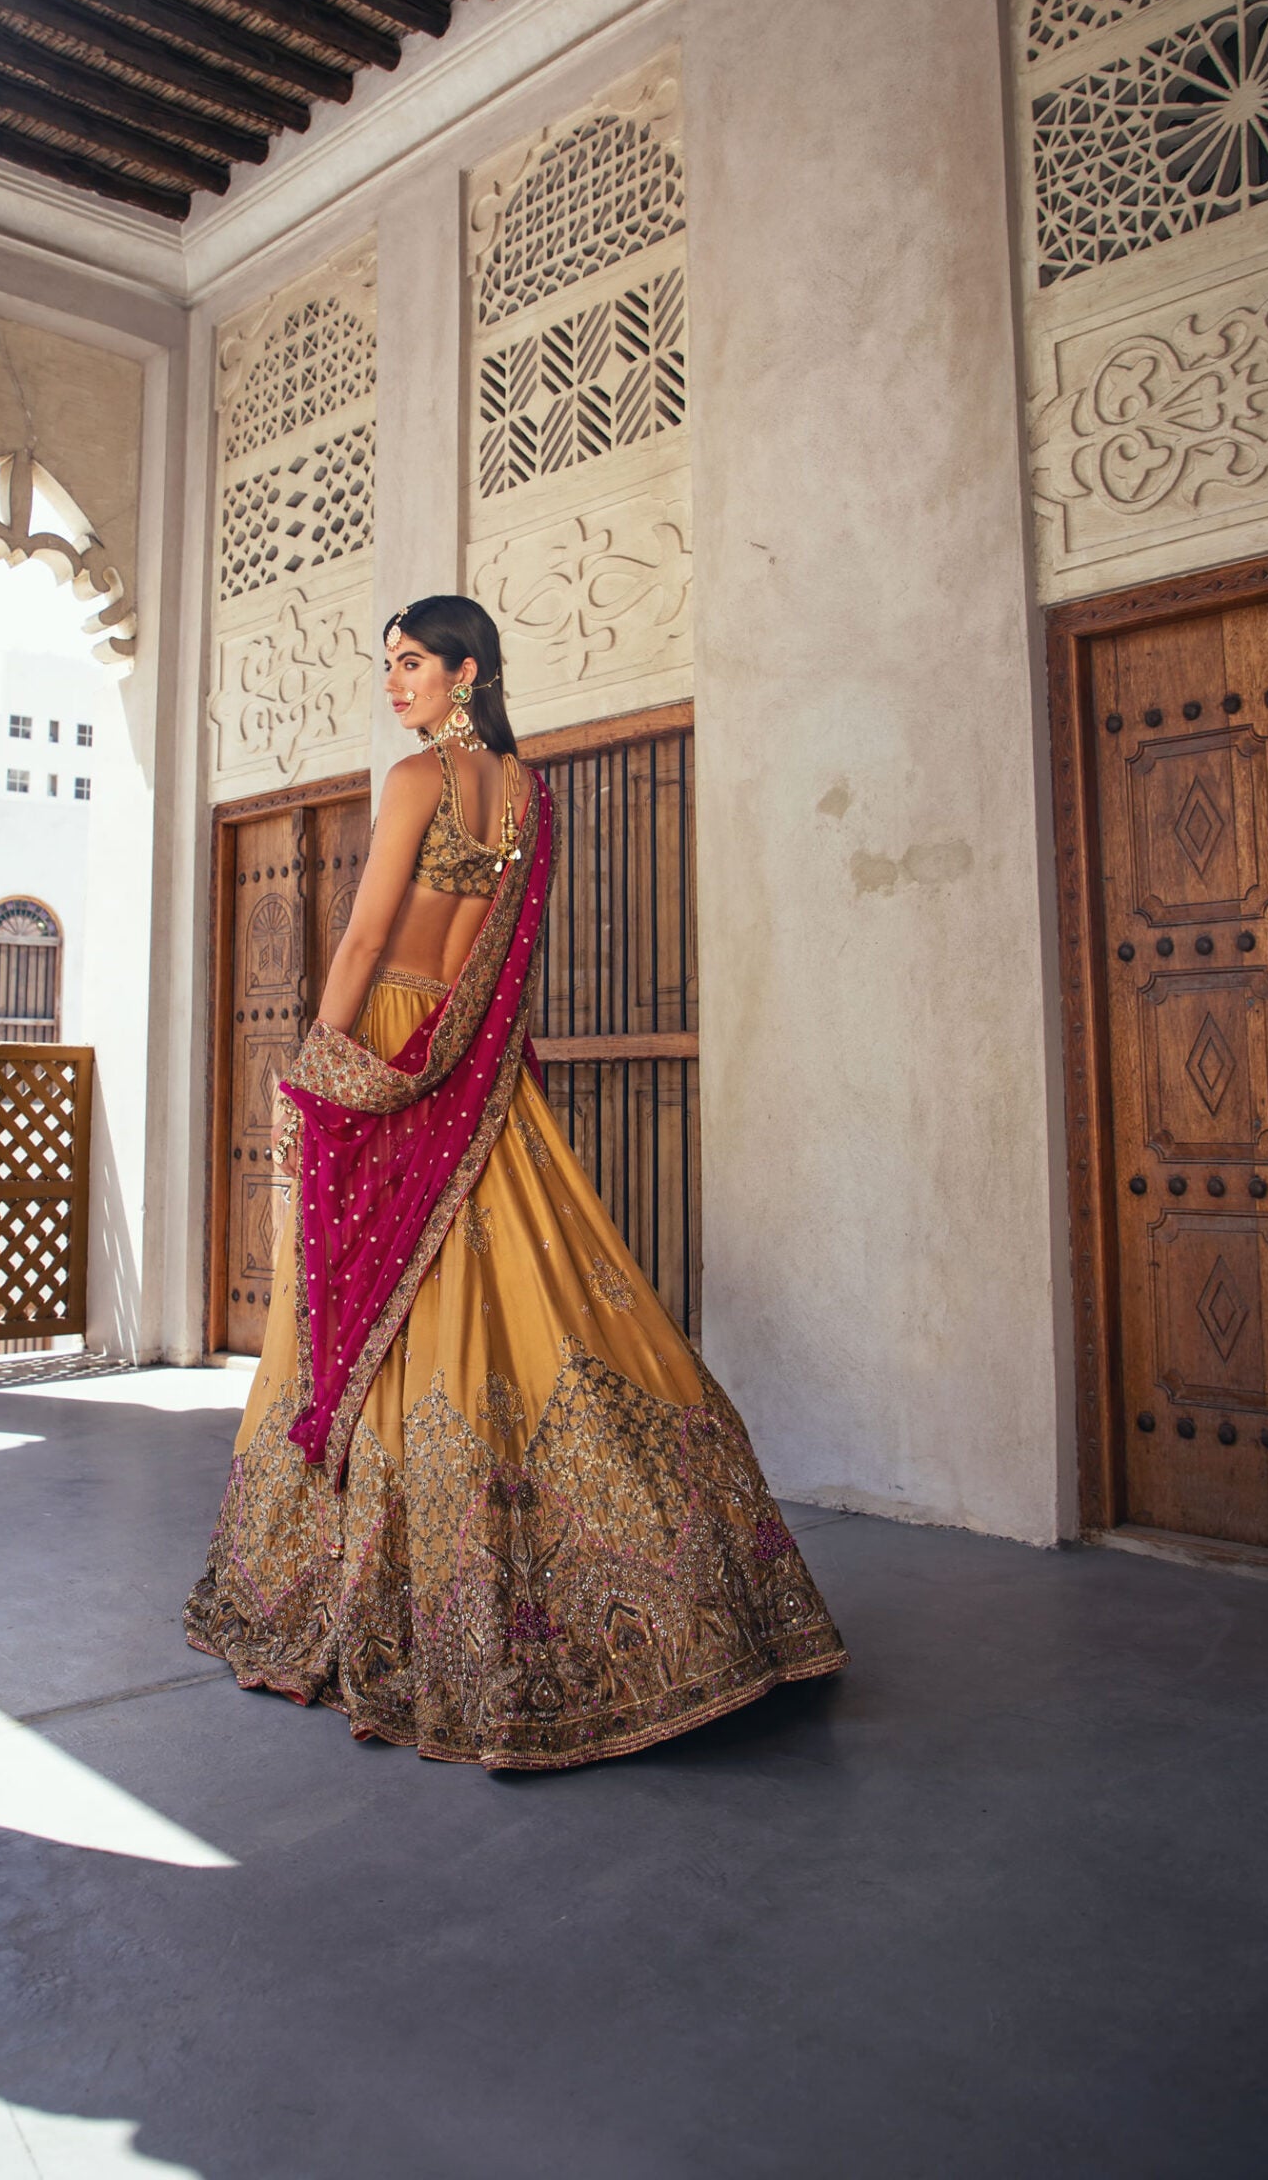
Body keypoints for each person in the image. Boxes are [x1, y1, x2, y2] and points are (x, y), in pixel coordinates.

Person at [185, 595, 846, 1769]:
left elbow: (360, 938)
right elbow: (498, 955)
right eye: (387, 664)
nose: (396, 683)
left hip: (389, 1041)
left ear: (465, 670)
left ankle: (396, 1605)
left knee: (384, 1313)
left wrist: (310, 1073)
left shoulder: (413, 781)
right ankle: (686, 1594)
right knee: (540, 1299)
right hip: (473, 1061)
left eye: (412, 663)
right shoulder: (528, 794)